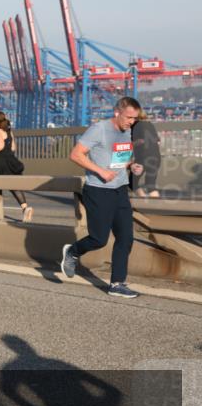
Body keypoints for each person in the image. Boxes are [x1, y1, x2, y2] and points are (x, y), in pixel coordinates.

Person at [61, 97, 144, 299]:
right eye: (129, 117)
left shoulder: (127, 132)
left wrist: (132, 166)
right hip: (98, 190)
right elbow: (76, 154)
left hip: (120, 190)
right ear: (117, 112)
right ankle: (72, 251)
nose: (131, 122)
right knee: (99, 239)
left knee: (126, 238)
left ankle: (117, 284)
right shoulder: (99, 129)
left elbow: (121, 160)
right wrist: (101, 171)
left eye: (135, 118)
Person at [0, 111, 33, 222]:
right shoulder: (9, 132)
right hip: (10, 161)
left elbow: (0, 145)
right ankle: (25, 208)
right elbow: (13, 147)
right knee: (13, 186)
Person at [131, 109, 161, 198]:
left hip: (143, 157)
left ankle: (142, 200)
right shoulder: (150, 124)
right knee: (150, 185)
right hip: (156, 157)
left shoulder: (136, 126)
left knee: (133, 182)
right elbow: (158, 141)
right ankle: (156, 206)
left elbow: (137, 141)